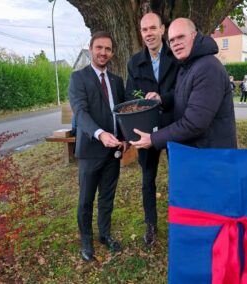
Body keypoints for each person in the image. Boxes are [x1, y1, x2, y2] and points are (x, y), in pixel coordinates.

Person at [130, 18, 237, 151]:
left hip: (212, 156)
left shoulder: (208, 68)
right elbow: (182, 95)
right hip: (196, 152)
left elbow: (194, 124)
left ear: (194, 35)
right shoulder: (186, 66)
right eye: (172, 40)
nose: (176, 44)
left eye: (180, 37)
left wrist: (153, 139)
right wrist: (161, 99)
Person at [68, 31, 126, 262]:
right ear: (91, 49)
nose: (103, 52)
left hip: (114, 151)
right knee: (86, 199)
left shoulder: (117, 81)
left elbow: (122, 112)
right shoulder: (78, 78)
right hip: (91, 151)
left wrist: (124, 137)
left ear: (112, 53)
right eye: (99, 47)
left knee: (107, 197)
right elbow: (80, 112)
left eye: (108, 49)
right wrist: (100, 134)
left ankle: (105, 234)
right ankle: (86, 241)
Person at [125, 12, 178, 247]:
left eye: (152, 28)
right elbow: (130, 98)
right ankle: (151, 225)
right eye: (144, 29)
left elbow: (185, 91)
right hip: (146, 131)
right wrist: (146, 104)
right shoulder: (134, 62)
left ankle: (182, 222)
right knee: (148, 179)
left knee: (179, 176)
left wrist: (162, 98)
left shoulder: (177, 56)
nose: (148, 34)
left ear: (162, 29)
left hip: (175, 127)